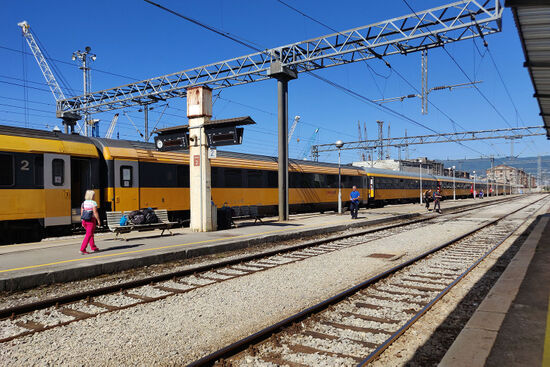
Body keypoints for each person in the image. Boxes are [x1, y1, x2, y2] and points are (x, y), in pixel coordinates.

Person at [80, 190, 100, 254]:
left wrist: (82, 221)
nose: (94, 196)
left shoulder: (83, 203)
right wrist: (98, 220)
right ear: (92, 196)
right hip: (91, 221)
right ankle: (82, 249)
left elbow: (82, 213)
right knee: (88, 235)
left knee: (90, 234)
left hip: (85, 220)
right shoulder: (93, 203)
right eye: (94, 195)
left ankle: (93, 247)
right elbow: (95, 212)